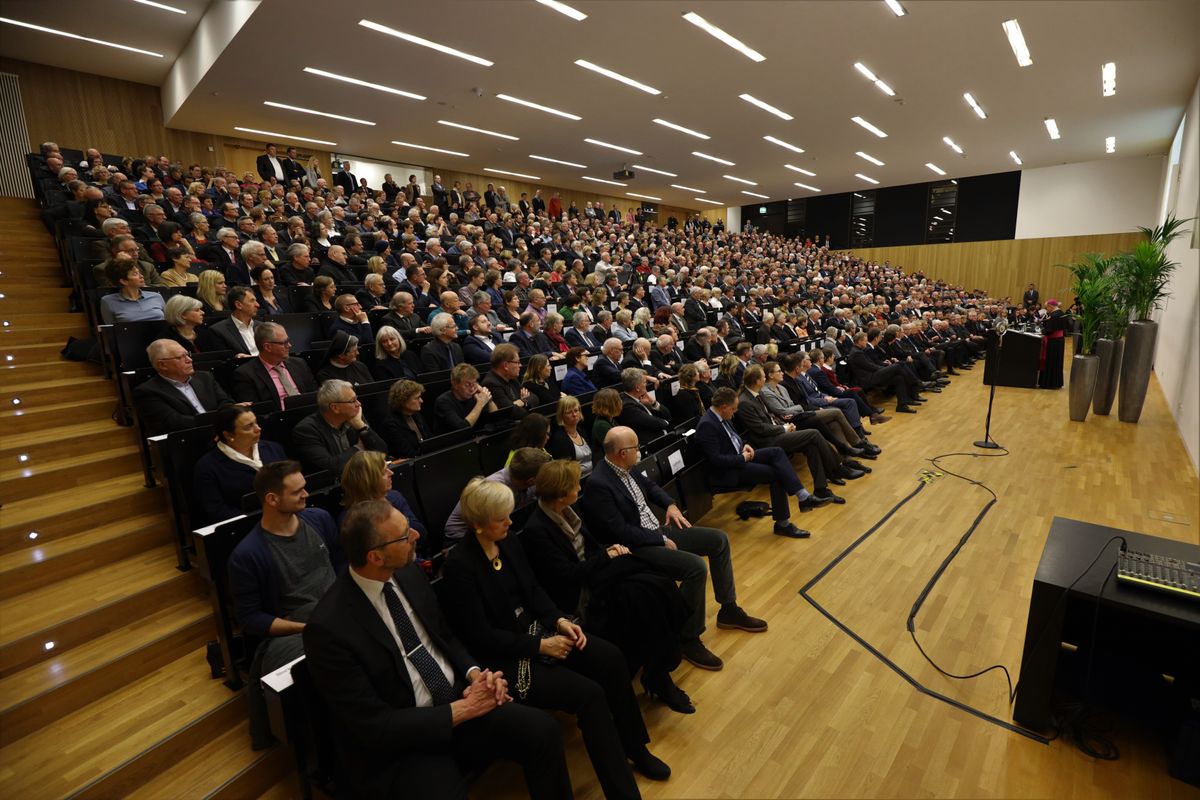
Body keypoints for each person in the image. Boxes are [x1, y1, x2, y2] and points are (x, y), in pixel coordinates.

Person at [303, 499, 573, 800]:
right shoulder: (329, 627)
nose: (416, 536)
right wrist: (462, 709)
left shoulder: (407, 573)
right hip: (404, 740)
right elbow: (373, 725)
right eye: (405, 535)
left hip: (457, 699)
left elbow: (445, 637)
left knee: (543, 732)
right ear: (376, 557)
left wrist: (475, 676)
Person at [440, 479, 670, 794]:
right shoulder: (459, 567)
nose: (510, 522)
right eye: (502, 518)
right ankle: (622, 789)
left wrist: (559, 620)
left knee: (610, 658)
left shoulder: (506, 541)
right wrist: (539, 645)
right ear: (478, 525)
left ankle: (635, 747)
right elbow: (481, 636)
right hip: (508, 655)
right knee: (588, 694)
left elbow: (533, 590)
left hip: (540, 630)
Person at [581, 426, 767, 672]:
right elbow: (620, 532)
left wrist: (670, 505)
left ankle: (728, 609)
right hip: (636, 547)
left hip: (655, 532)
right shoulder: (599, 484)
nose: (640, 451)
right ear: (621, 453)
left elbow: (651, 488)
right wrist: (658, 539)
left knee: (718, 540)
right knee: (695, 567)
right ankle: (688, 637)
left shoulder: (627, 467)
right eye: (635, 447)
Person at [523, 460, 692, 713]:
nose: (580, 487)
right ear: (560, 493)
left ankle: (659, 668)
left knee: (658, 584)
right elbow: (568, 576)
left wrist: (607, 553)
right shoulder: (537, 530)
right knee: (642, 600)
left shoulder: (569, 509)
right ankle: (658, 674)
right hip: (579, 591)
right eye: (574, 484)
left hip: (597, 573)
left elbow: (590, 547)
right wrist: (607, 555)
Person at [230, 461, 341, 749]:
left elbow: (341, 566)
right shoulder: (248, 554)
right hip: (296, 629)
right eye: (298, 492)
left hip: (339, 610)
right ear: (272, 499)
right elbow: (251, 619)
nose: (306, 495)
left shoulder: (319, 519)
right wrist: (306, 627)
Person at [698, 388, 829, 539]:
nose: (734, 413)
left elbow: (733, 439)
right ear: (724, 407)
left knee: (777, 452)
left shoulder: (721, 417)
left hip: (739, 456)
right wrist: (743, 458)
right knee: (776, 473)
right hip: (729, 469)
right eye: (733, 409)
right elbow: (716, 460)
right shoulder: (707, 425)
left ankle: (803, 497)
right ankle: (784, 523)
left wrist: (744, 445)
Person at [192, 405, 287, 525]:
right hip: (248, 526)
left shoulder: (273, 448)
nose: (258, 429)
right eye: (249, 427)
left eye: (256, 423)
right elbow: (217, 511)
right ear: (228, 435)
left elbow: (292, 483)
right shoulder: (207, 467)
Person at [441, 448, 551, 547]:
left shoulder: (523, 479)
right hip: (461, 537)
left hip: (495, 529)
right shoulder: (493, 491)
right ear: (531, 481)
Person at [133, 339, 234, 435]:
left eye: (187, 354)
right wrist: (218, 419)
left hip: (223, 432)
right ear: (162, 365)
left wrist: (233, 411)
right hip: (190, 440)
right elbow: (175, 423)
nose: (189, 360)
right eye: (180, 357)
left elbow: (225, 402)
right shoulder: (147, 392)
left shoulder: (205, 377)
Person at [291, 379, 388, 475]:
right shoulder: (306, 430)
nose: (358, 404)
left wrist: (361, 427)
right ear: (335, 408)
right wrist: (358, 448)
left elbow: (382, 452)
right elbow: (329, 467)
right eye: (353, 400)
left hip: (362, 476)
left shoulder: (355, 418)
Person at [339, 450, 427, 547]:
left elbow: (421, 534)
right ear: (369, 480)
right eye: (384, 472)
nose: (391, 473)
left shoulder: (394, 497)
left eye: (388, 468)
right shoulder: (350, 521)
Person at [232, 323, 318, 407]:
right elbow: (257, 410)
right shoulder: (246, 375)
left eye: (288, 341)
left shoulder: (299, 364)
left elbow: (315, 395)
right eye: (284, 343)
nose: (289, 345)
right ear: (267, 347)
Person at [433, 363, 497, 434]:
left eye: (474, 383)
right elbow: (462, 429)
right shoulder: (443, 402)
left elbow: (496, 418)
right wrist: (480, 403)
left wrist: (489, 400)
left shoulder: (476, 395)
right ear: (455, 384)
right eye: (467, 384)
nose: (472, 389)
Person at [198, 285, 259, 356]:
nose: (257, 305)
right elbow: (224, 360)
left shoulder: (262, 326)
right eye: (252, 301)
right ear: (238, 305)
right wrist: (236, 358)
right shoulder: (218, 331)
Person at [616, 368, 672, 443]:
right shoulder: (627, 406)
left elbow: (667, 414)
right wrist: (666, 422)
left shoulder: (640, 398)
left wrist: (653, 403)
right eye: (644, 382)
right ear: (637, 388)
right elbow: (655, 423)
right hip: (652, 444)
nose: (646, 384)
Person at [100, 260, 166, 324]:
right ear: (123, 281)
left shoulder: (156, 296)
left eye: (139, 272)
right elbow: (112, 330)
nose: (141, 276)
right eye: (135, 274)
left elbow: (167, 321)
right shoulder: (108, 301)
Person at [379, 379, 430, 459]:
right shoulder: (391, 424)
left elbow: (429, 440)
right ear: (403, 400)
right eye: (417, 398)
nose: (421, 401)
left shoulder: (417, 415)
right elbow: (407, 454)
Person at [547, 395, 593, 476]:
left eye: (576, 410)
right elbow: (567, 470)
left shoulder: (581, 431)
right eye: (569, 412)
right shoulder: (560, 439)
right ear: (562, 415)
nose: (574, 415)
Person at [1038, 299, 1067, 390]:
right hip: (1059, 341)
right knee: (1057, 362)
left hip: (1053, 342)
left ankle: (1048, 383)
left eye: (1047, 307)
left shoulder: (1054, 316)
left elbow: (1049, 331)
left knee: (1050, 361)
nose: (1047, 309)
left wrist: (1042, 328)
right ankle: (1056, 382)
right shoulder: (1062, 313)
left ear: (1051, 306)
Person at [589, 388, 623, 453]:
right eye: (618, 400)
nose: (621, 401)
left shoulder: (610, 419)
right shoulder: (601, 425)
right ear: (611, 405)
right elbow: (616, 448)